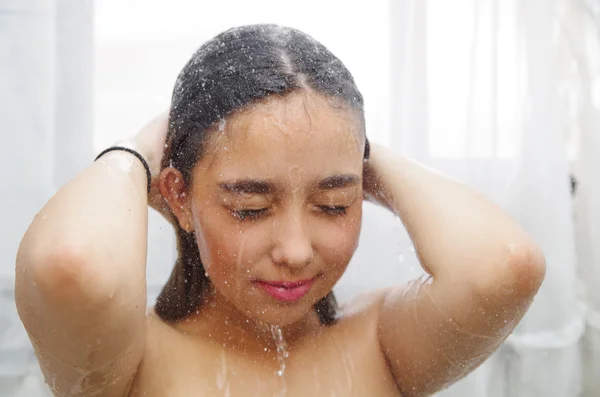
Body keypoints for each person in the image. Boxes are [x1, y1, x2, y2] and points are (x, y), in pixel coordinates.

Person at [14, 24, 545, 397]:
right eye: (250, 208)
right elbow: (70, 266)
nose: (295, 250)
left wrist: (349, 149)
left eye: (334, 204)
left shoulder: (381, 344)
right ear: (178, 196)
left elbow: (506, 266)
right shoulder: (127, 365)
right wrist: (139, 151)